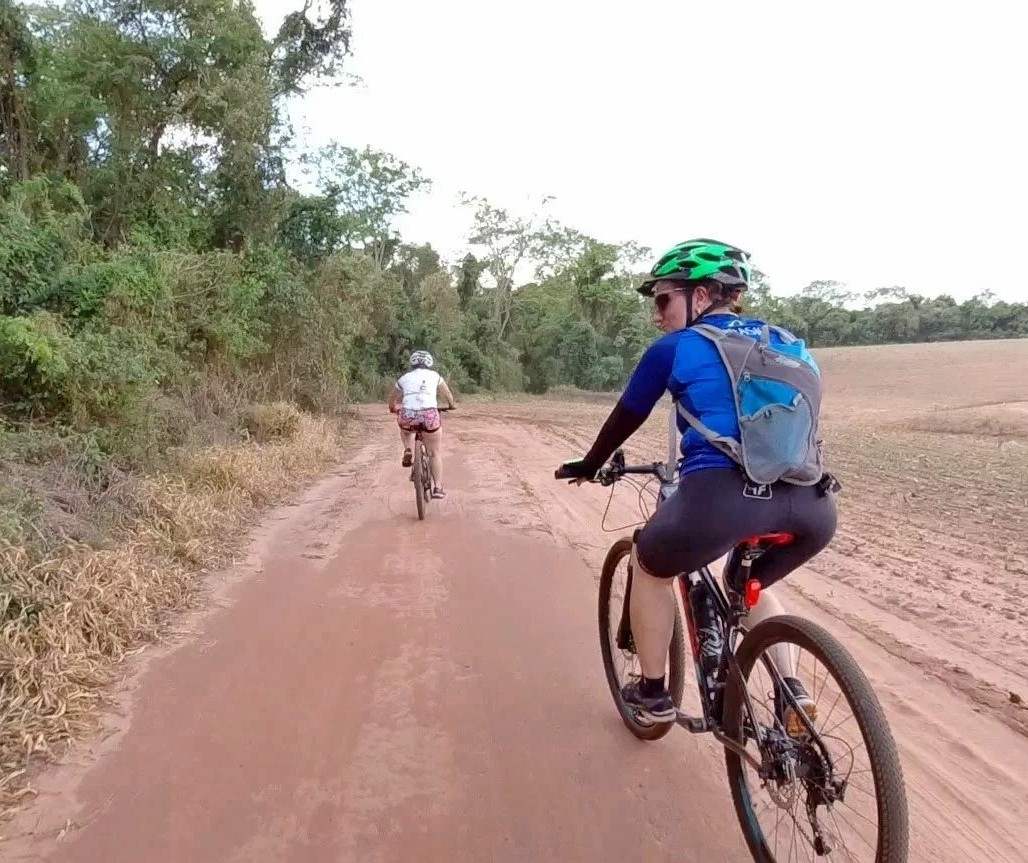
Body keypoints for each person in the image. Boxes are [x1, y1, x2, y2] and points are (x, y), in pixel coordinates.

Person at [557, 239, 838, 727]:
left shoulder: (677, 347)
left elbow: (626, 416)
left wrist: (589, 464)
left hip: (722, 500)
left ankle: (652, 692)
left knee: (650, 564)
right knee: (746, 584)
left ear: (702, 296)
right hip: (812, 505)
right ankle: (792, 693)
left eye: (663, 299)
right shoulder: (790, 346)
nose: (656, 314)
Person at [388, 350, 456, 499]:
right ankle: (437, 487)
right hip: (429, 416)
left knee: (405, 430)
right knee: (434, 452)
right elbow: (447, 394)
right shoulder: (435, 376)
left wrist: (393, 407)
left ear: (412, 363)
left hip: (409, 416)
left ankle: (408, 449)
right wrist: (451, 404)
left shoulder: (404, 378)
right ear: (430, 363)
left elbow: (393, 397)